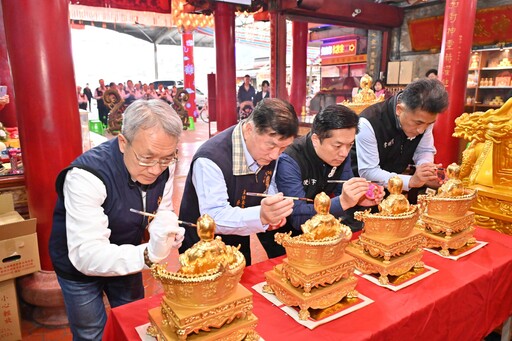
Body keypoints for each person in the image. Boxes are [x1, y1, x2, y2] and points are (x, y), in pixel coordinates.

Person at [49, 99, 185, 340]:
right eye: (146, 158)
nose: (156, 169)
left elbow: (160, 207)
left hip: (126, 251)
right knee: (91, 332)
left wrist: (166, 226)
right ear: (123, 142)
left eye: (166, 158)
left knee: (133, 321)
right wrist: (148, 254)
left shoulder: (163, 162)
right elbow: (87, 255)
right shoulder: (86, 177)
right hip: (79, 265)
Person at [179, 98, 299, 265]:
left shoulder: (269, 150)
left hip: (238, 239)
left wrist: (272, 205)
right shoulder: (210, 159)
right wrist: (262, 216)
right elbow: (215, 216)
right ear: (249, 129)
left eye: (283, 148)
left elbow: (268, 181)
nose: (275, 155)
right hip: (202, 250)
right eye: (271, 146)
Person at [276, 105, 383, 232]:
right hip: (288, 235)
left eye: (350, 145)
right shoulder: (289, 160)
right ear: (315, 139)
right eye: (337, 145)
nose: (344, 153)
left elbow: (342, 192)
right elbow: (297, 218)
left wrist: (359, 199)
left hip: (326, 227)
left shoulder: (341, 154)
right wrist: (344, 201)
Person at [352, 78, 449, 199]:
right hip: (363, 194)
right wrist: (410, 181)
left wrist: (426, 169)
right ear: (399, 109)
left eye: (428, 124)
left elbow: (424, 150)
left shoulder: (425, 121)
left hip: (396, 190)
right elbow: (369, 172)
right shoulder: (369, 122)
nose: (421, 130)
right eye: (418, 123)